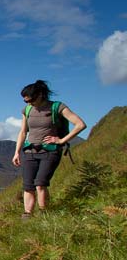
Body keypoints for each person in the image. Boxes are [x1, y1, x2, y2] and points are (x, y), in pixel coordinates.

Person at [11, 80, 86, 218]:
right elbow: (23, 132)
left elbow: (80, 124)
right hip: (29, 151)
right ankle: (27, 215)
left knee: (40, 184)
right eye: (25, 101)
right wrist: (17, 152)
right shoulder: (27, 110)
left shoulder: (57, 107)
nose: (29, 103)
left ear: (40, 95)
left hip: (50, 151)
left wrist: (61, 140)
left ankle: (44, 214)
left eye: (31, 100)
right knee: (28, 186)